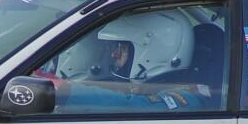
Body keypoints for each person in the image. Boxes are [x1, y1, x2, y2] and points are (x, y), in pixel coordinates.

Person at [41, 9, 212, 112]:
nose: (114, 55)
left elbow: (134, 106)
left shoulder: (189, 96)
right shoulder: (145, 86)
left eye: (122, 49)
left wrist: (66, 91)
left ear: (154, 49)